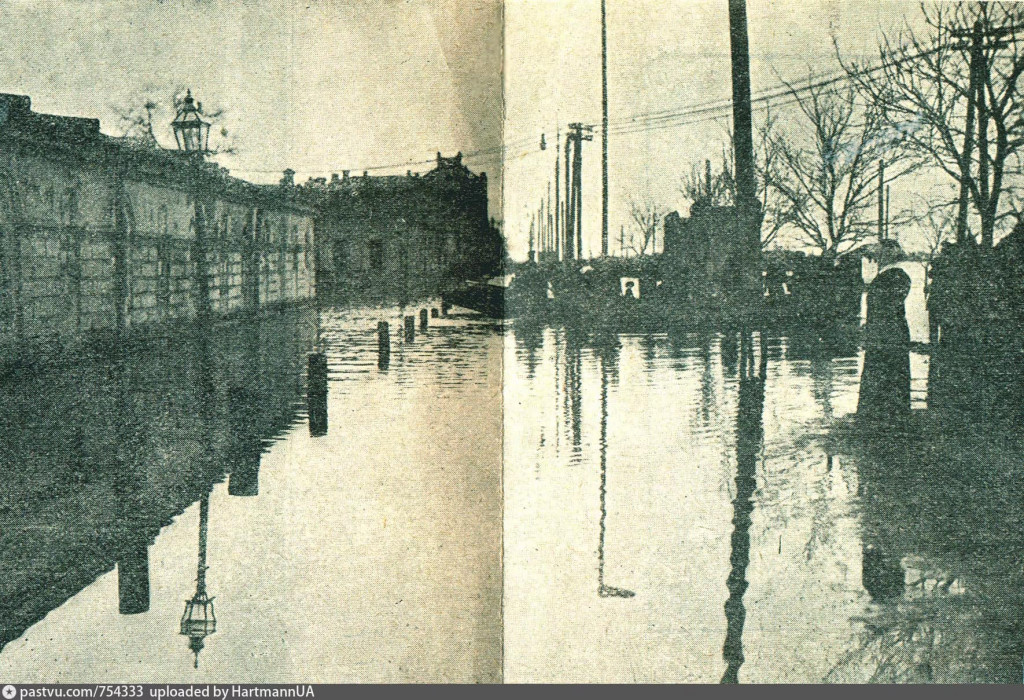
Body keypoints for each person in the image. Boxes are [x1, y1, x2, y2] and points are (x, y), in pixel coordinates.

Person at [857, 267, 912, 424]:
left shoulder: (878, 296)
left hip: (882, 343)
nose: (903, 296)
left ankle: (880, 412)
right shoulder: (882, 302)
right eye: (902, 291)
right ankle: (891, 412)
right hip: (887, 344)